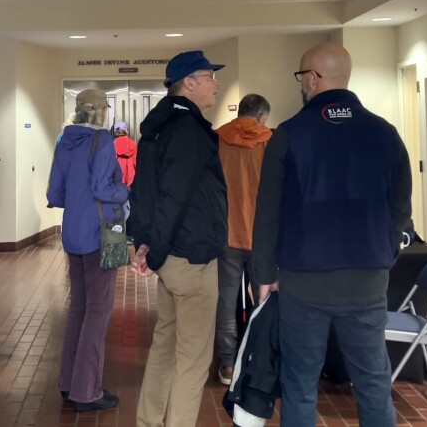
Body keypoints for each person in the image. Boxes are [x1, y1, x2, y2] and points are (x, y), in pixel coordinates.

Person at [251, 42, 412, 426]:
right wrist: (385, 252)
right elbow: (400, 207)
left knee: (300, 383)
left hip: (303, 283)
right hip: (367, 281)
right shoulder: (385, 133)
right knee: (373, 382)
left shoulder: (288, 135)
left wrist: (263, 274)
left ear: (313, 78)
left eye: (300, 76)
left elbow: (267, 212)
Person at [127, 49, 228, 427]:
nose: (216, 83)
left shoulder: (159, 126)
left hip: (172, 257)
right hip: (192, 257)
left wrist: (144, 242)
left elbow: (142, 190)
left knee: (165, 347)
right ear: (189, 82)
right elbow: (174, 196)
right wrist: (154, 251)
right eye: (209, 76)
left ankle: (150, 420)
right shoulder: (188, 130)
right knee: (194, 358)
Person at [46, 88, 130, 412]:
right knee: (98, 312)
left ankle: (68, 383)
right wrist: (124, 190)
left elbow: (55, 192)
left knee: (78, 309)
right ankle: (87, 390)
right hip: (99, 235)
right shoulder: (103, 141)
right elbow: (102, 188)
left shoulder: (63, 141)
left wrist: (79, 202)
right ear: (100, 111)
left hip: (72, 235)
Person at [214, 93, 272, 385]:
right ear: (262, 116)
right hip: (261, 235)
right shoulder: (269, 141)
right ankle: (259, 358)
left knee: (226, 297)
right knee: (262, 299)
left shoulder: (219, 139)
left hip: (227, 232)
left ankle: (227, 363)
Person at [112, 120, 137, 186]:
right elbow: (136, 162)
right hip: (131, 179)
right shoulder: (132, 144)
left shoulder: (112, 145)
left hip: (117, 179)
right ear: (126, 130)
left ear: (115, 132)